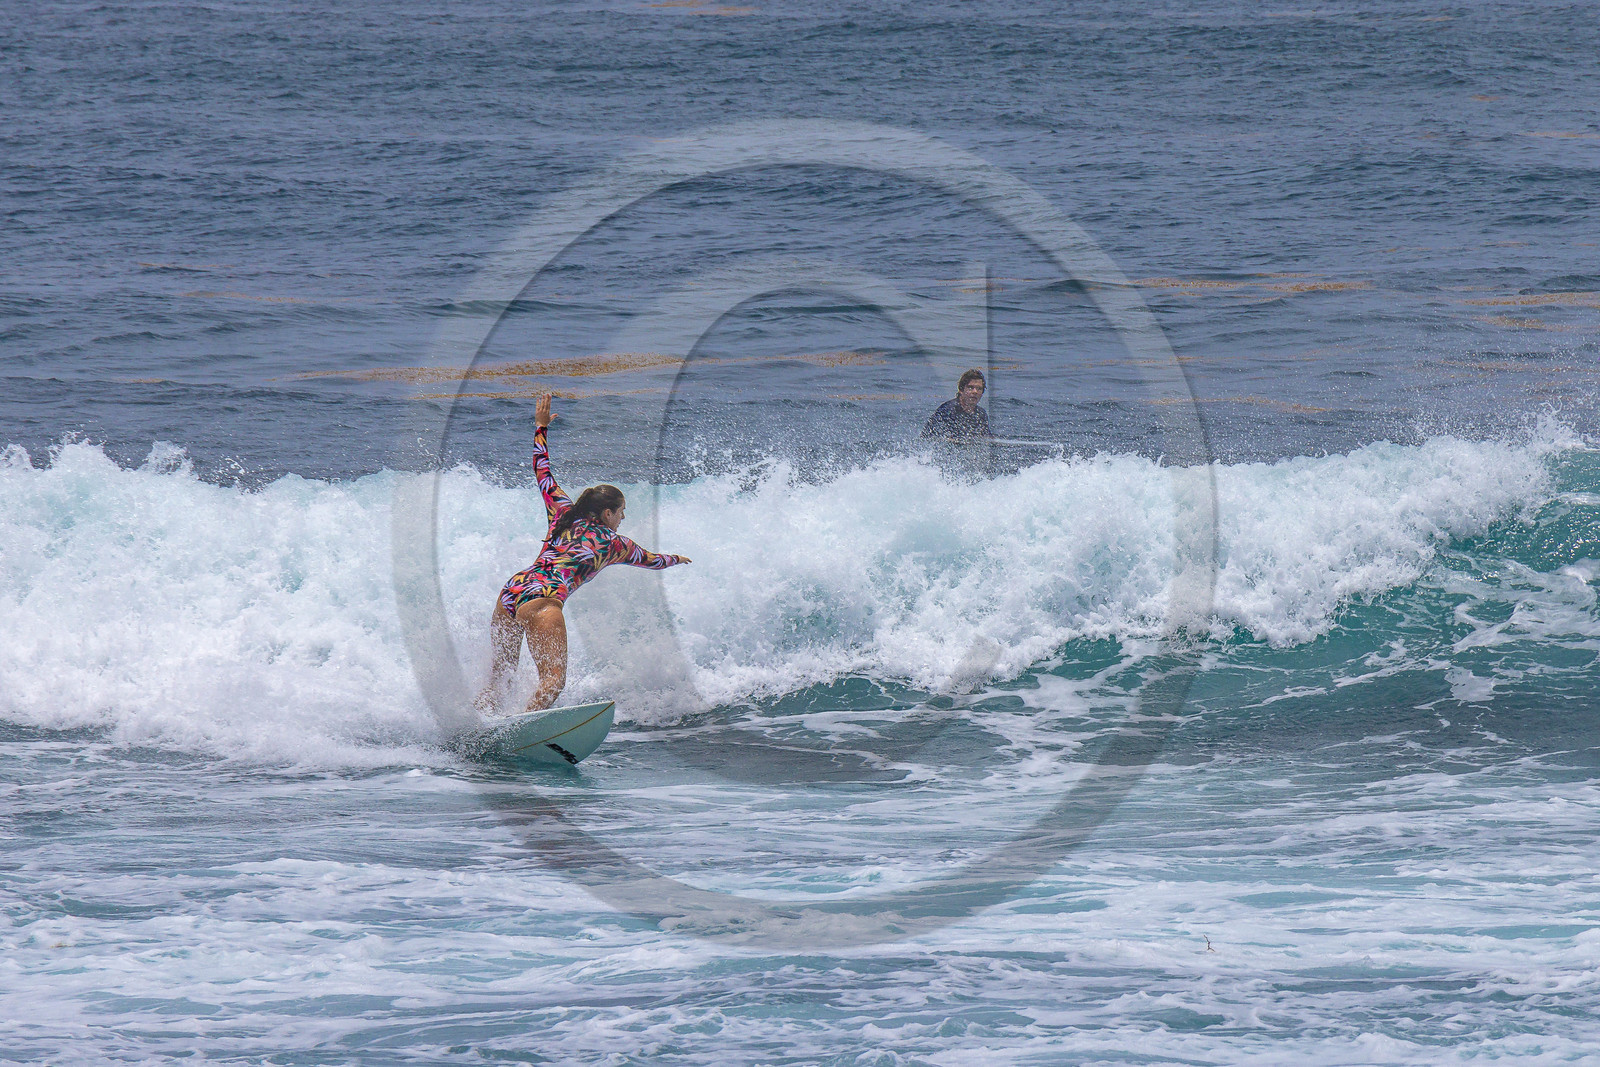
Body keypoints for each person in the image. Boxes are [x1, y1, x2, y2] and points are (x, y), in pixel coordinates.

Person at [477, 394, 691, 716]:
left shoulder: (563, 512)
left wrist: (540, 427)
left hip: (513, 589)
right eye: (621, 512)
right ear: (607, 513)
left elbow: (542, 470)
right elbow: (653, 561)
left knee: (499, 680)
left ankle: (475, 724)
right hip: (544, 599)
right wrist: (676, 558)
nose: (623, 518)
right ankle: (516, 730)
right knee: (553, 682)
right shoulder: (615, 544)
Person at [921, 368, 991, 441]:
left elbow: (987, 439)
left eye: (979, 388)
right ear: (961, 390)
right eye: (970, 387)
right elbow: (927, 437)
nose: (975, 392)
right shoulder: (947, 410)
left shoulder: (981, 414)